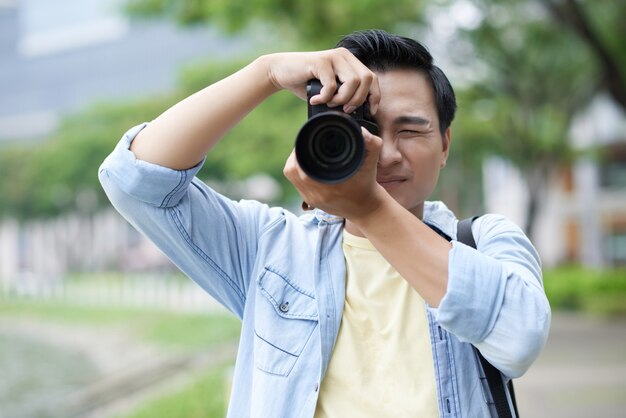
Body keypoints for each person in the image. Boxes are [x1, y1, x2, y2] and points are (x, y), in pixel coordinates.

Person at [99, 29, 550, 417]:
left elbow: (519, 337)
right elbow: (134, 179)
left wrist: (369, 207)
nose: (387, 153)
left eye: (410, 131)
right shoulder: (271, 249)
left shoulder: (487, 240)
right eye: (367, 130)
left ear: (446, 144)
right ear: (329, 135)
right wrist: (267, 73)